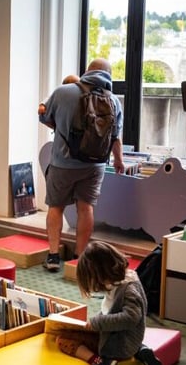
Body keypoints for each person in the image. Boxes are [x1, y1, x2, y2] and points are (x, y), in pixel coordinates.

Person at [39, 59, 125, 272]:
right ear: (109, 75)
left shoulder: (63, 92)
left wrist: (60, 127)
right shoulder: (114, 101)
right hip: (95, 165)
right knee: (85, 208)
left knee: (56, 207)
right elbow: (115, 137)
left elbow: (44, 116)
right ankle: (79, 258)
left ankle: (53, 256)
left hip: (63, 162)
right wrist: (118, 160)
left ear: (87, 71)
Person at [54, 241, 162, 365]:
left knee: (63, 340)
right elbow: (112, 311)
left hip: (118, 344)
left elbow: (130, 318)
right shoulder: (125, 279)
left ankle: (100, 364)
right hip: (125, 337)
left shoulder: (128, 289)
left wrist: (97, 323)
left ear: (101, 273)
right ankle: (140, 349)